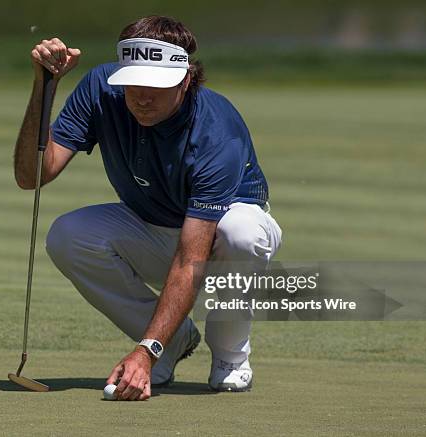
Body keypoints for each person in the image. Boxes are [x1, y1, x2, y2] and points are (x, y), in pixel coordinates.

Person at [14, 15, 282, 401]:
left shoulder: (216, 129)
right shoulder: (100, 90)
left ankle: (229, 358)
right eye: (133, 83)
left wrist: (144, 352)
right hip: (152, 226)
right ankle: (171, 343)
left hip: (220, 240)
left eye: (156, 86)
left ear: (186, 79)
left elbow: (192, 256)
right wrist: (44, 88)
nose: (142, 96)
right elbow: (32, 175)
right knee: (67, 236)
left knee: (240, 233)